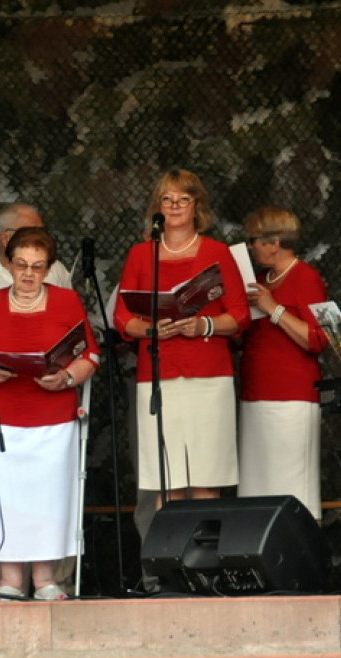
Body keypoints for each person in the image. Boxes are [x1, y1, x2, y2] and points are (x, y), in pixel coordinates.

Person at [0, 227, 99, 600]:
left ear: (48, 268)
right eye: (20, 265)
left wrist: (68, 376)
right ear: (8, 264)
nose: (28, 274)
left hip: (53, 416)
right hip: (1, 416)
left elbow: (91, 354)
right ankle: (9, 581)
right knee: (5, 496)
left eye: (37, 267)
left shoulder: (68, 301)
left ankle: (45, 581)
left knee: (48, 499)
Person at [113, 169, 250, 511]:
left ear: (196, 206)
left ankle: (204, 561)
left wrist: (202, 325)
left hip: (209, 376)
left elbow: (240, 316)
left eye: (182, 199)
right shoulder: (141, 254)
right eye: (167, 199)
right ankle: (167, 561)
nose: (174, 206)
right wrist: (151, 330)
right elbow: (121, 318)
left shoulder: (217, 252)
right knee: (166, 483)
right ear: (157, 207)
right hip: (159, 375)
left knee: (206, 479)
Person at [237, 207, 329, 521]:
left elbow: (318, 339)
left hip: (292, 398)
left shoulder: (306, 277)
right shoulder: (260, 281)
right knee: (255, 490)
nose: (251, 247)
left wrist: (273, 309)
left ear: (275, 242)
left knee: (293, 490)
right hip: (254, 394)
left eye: (255, 240)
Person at [0, 202, 71, 341]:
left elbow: (71, 324)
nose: (41, 238)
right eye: (31, 232)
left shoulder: (55, 269)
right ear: (6, 238)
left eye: (42, 231)